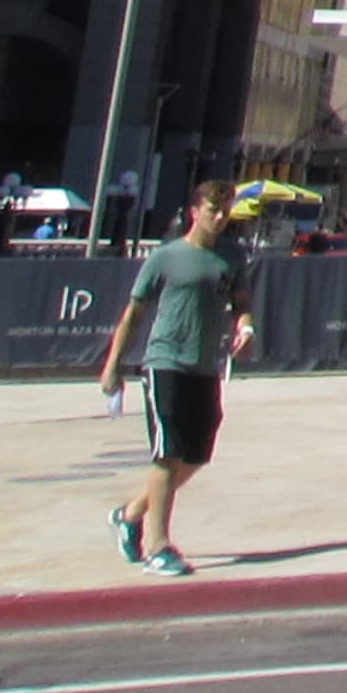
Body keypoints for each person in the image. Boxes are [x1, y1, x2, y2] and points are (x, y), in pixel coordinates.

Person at [97, 181, 256, 579]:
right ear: (194, 211)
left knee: (197, 455)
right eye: (213, 210)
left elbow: (242, 305)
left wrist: (246, 330)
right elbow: (133, 314)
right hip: (165, 362)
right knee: (168, 453)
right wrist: (113, 365)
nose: (220, 218)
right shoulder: (165, 257)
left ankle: (130, 514)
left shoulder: (231, 257)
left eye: (225, 211)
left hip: (205, 367)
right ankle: (157, 546)